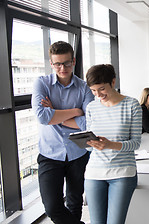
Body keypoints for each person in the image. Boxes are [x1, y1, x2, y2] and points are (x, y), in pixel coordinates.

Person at [32, 41, 94, 224]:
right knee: (52, 207)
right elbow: (43, 117)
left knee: (75, 203)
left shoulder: (84, 87)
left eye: (67, 63)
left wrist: (56, 115)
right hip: (49, 153)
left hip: (78, 151)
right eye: (58, 63)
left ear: (73, 61)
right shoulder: (41, 84)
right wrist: (76, 111)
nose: (63, 68)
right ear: (51, 63)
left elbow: (89, 122)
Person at [84, 64, 142, 224]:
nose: (98, 94)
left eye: (101, 89)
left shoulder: (132, 105)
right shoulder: (91, 107)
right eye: (93, 91)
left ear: (113, 82)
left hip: (122, 172)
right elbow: (90, 146)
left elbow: (136, 143)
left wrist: (110, 145)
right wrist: (87, 143)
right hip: (94, 172)